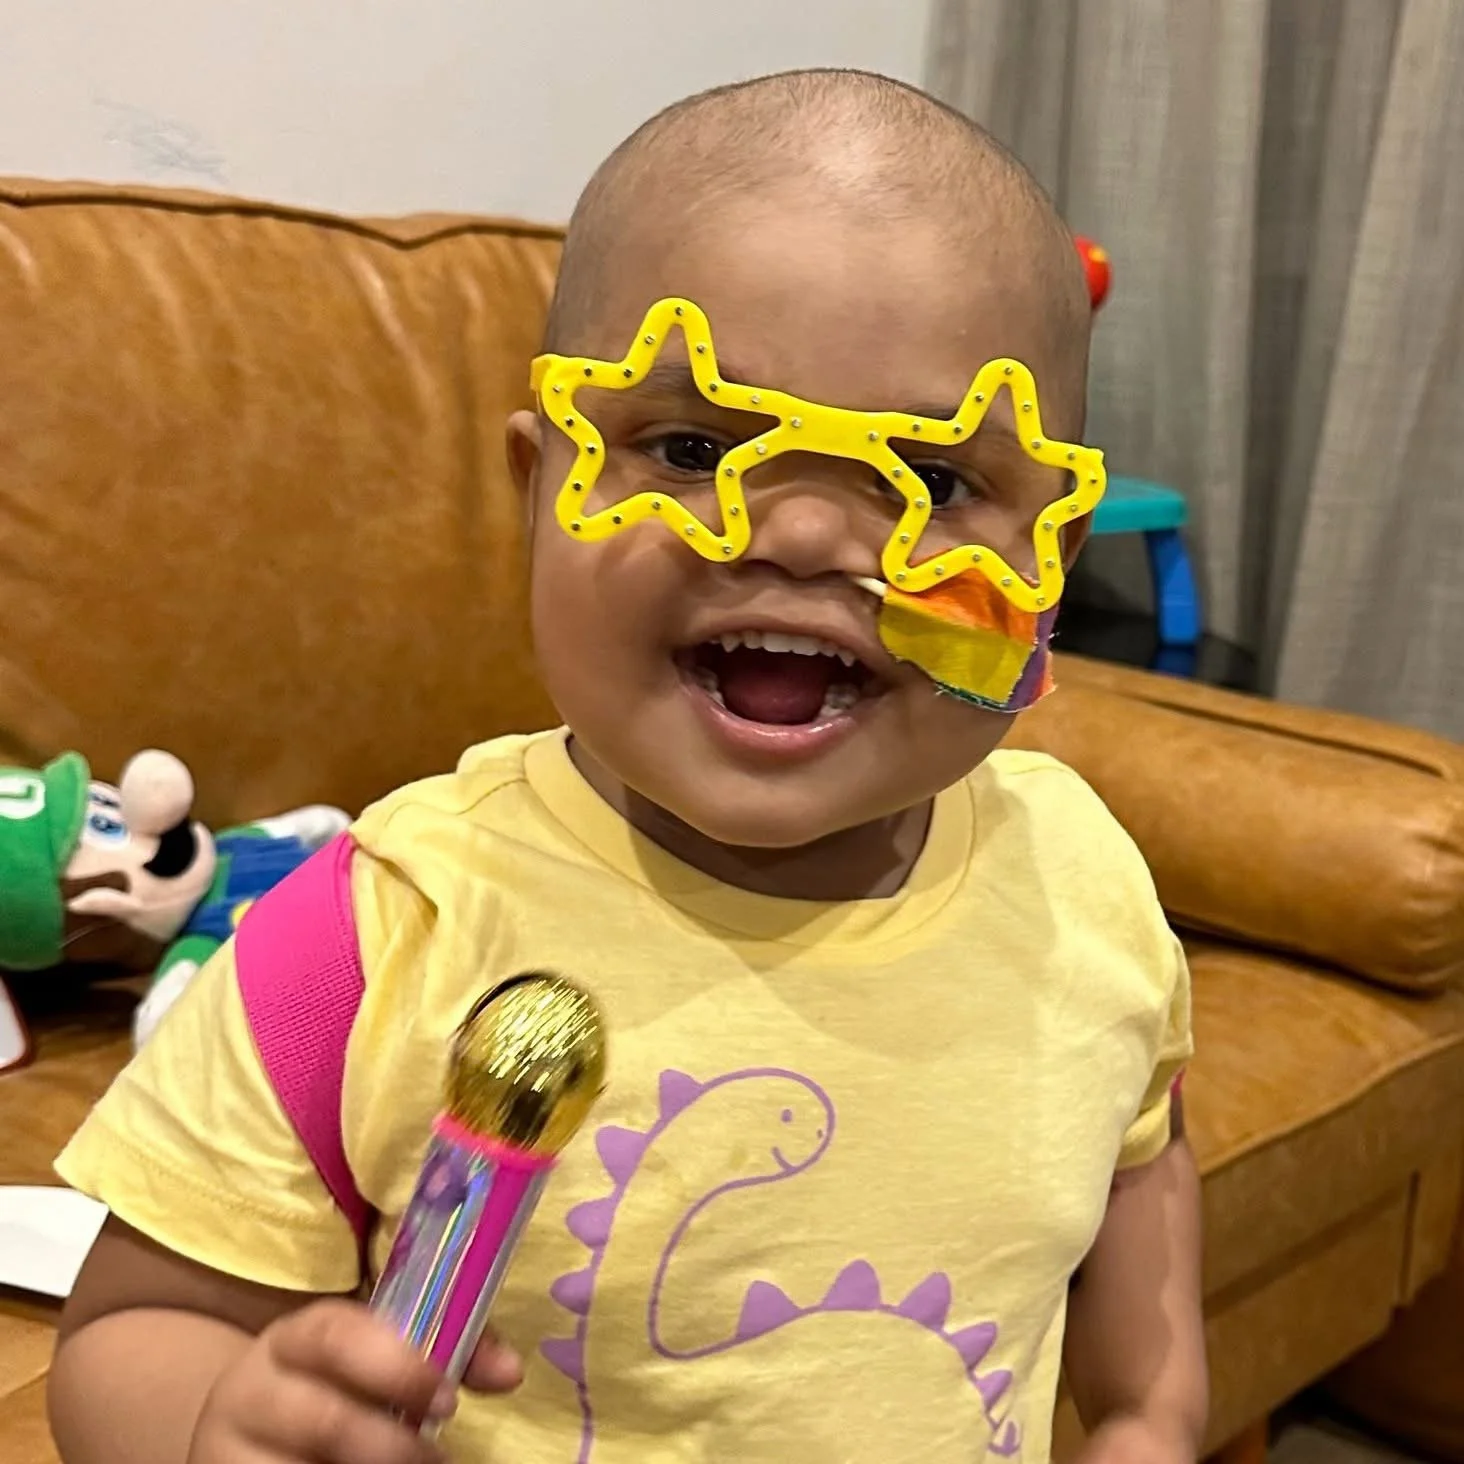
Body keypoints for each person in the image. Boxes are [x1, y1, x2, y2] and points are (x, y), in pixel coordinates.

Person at [49, 69, 1206, 1464]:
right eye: (696, 445)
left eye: (937, 481)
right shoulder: (370, 934)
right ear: (538, 490)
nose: (797, 537)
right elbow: (134, 1328)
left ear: (1050, 560)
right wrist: (216, 1423)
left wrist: (1149, 1413)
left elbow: (1134, 1151)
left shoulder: (1084, 886)